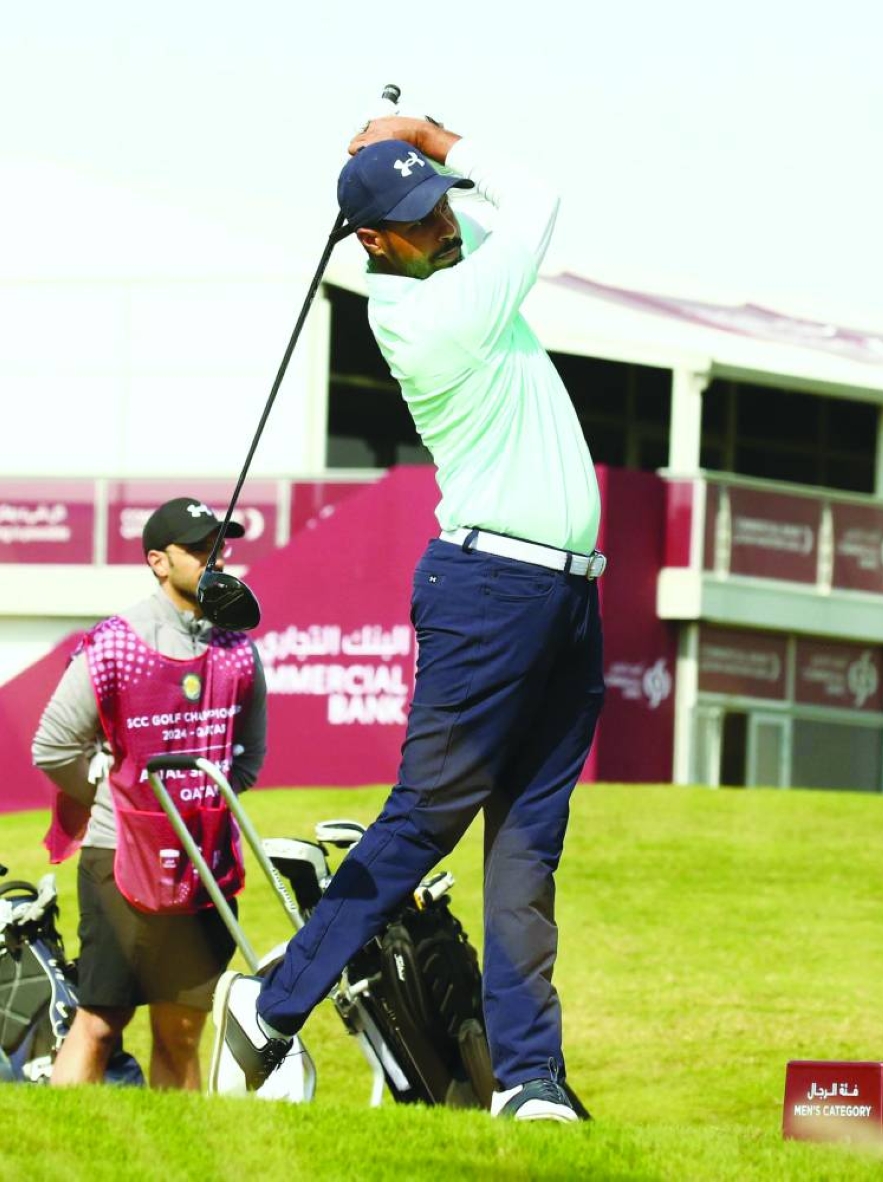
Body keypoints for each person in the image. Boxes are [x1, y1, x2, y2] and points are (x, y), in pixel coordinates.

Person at [216, 114, 605, 1122]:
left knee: (528, 844)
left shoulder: (446, 265)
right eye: (416, 213)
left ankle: (529, 1082)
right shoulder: (435, 312)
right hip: (491, 591)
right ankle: (272, 1002)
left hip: (563, 596)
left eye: (438, 198)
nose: (442, 217)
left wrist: (423, 163)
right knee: (424, 820)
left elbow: (488, 215)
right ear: (373, 243)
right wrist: (436, 131)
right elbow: (544, 197)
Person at [32, 496, 268, 1090]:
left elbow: (247, 758)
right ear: (159, 562)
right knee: (102, 1021)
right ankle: (55, 1151)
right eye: (198, 549)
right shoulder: (114, 643)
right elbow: (53, 747)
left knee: (183, 1028)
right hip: (118, 858)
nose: (215, 558)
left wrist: (196, 799)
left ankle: (180, 1158)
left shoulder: (239, 649)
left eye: (221, 545)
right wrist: (112, 797)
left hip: (204, 864)